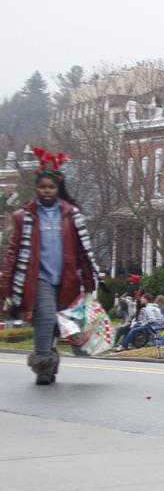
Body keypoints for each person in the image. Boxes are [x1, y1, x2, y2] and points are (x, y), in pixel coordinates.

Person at [0, 148, 99, 384]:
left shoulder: (72, 215)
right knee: (44, 316)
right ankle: (43, 364)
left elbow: (82, 250)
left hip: (68, 278)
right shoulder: (23, 216)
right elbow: (14, 252)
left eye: (51, 187)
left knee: (58, 321)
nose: (46, 191)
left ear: (58, 189)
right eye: (42, 187)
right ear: (36, 188)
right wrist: (5, 283)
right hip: (38, 277)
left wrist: (88, 278)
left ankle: (51, 355)